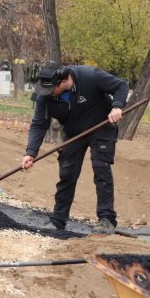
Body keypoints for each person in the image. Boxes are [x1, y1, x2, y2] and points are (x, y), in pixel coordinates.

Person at [20, 62, 128, 234]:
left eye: (51, 89)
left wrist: (117, 106)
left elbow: (121, 86)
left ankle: (107, 220)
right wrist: (30, 152)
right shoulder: (44, 96)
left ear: (64, 80)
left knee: (101, 168)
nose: (47, 92)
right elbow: (39, 124)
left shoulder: (89, 76)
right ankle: (58, 220)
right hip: (74, 131)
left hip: (102, 126)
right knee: (67, 173)